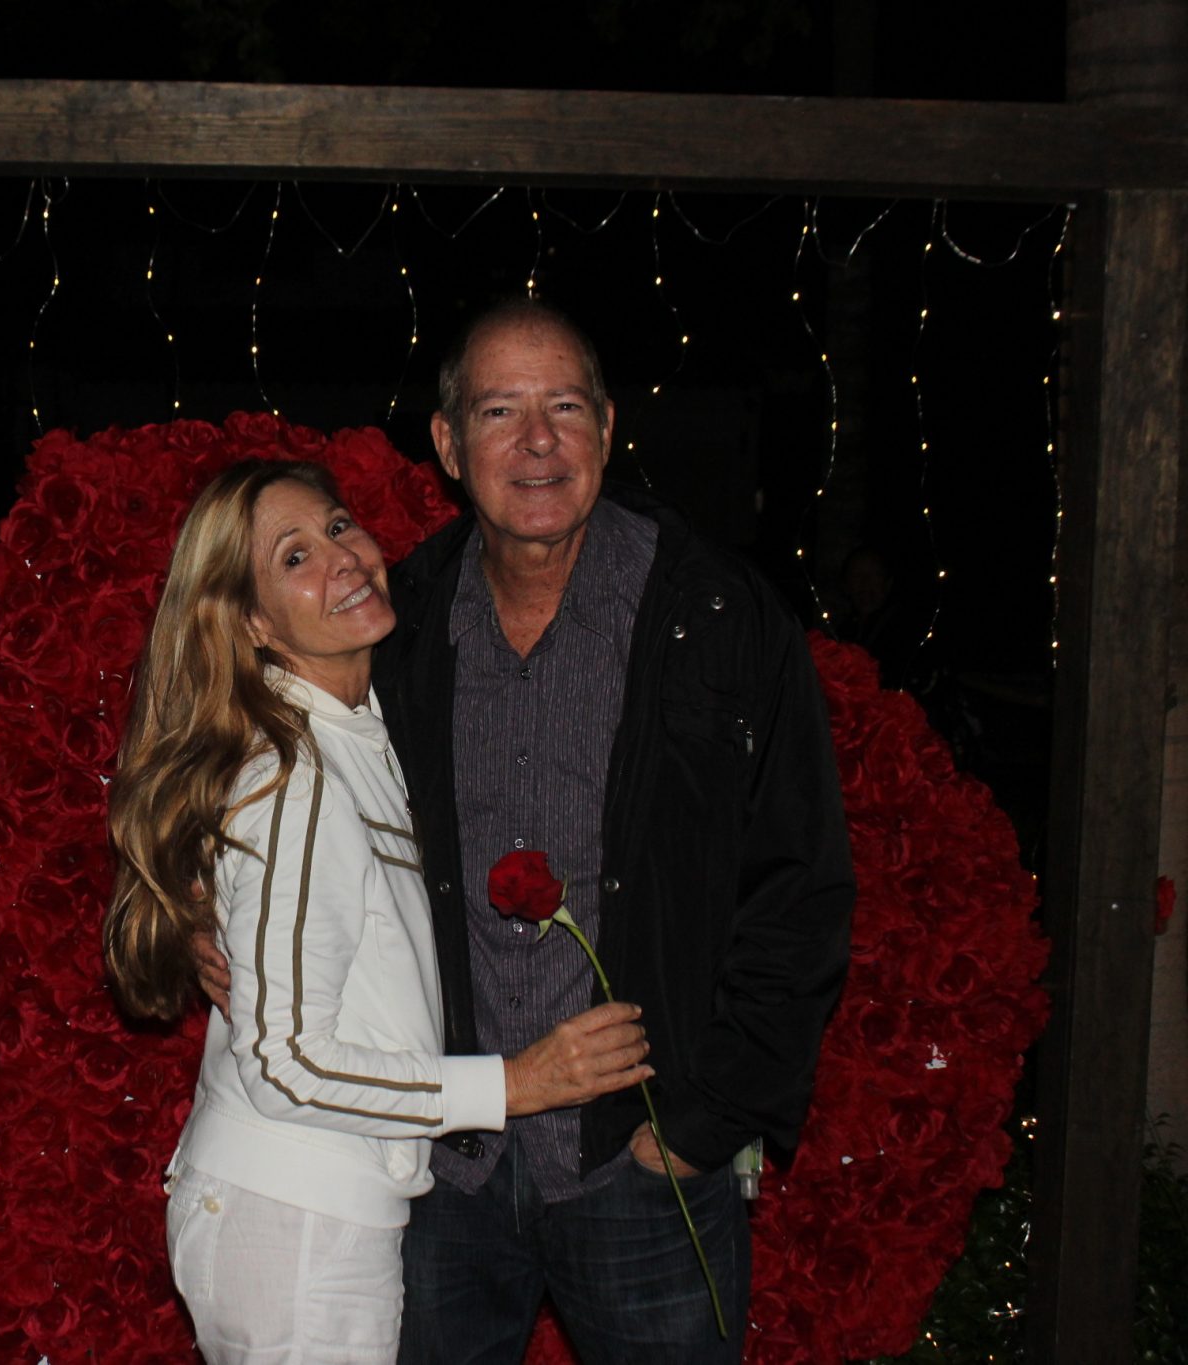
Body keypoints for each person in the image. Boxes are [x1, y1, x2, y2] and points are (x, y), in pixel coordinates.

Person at [374, 298, 856, 1363]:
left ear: (605, 425)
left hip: (636, 1166)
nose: (537, 441)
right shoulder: (397, 624)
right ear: (448, 444)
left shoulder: (718, 616)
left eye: (564, 407)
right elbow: (293, 795)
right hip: (445, 1170)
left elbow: (801, 884)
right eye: (499, 410)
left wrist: (702, 1122)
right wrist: (208, 915)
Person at [105, 460, 651, 1365]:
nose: (342, 557)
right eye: (294, 557)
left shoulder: (356, 734)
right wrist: (514, 1085)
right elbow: (287, 1060)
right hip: (297, 1225)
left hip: (318, 1209)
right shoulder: (298, 779)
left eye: (338, 525)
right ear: (250, 621)